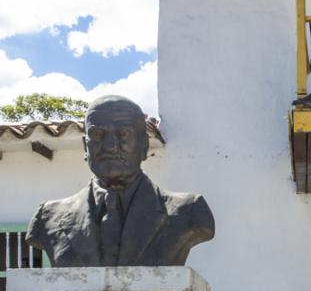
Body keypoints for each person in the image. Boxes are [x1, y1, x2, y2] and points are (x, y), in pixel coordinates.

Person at [26, 95, 215, 267]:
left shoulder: (190, 212)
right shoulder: (48, 217)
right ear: (86, 146)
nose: (109, 146)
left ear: (144, 145)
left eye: (123, 134)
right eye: (98, 135)